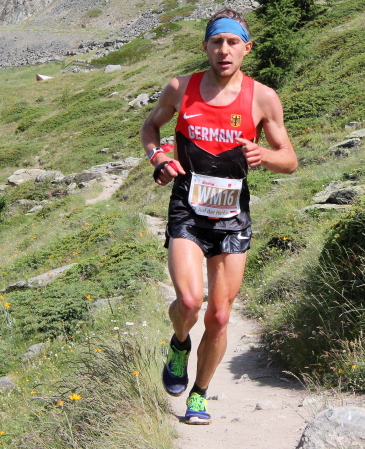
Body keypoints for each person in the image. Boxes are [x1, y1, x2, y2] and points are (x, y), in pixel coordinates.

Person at [140, 8, 298, 425]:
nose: (224, 50)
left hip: (232, 216)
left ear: (247, 48)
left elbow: (290, 159)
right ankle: (179, 343)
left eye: (232, 42)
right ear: (205, 46)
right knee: (191, 302)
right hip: (188, 210)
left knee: (220, 316)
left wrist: (265, 155)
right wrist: (159, 158)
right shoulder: (181, 88)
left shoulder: (263, 97)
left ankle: (199, 394)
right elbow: (150, 128)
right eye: (216, 42)